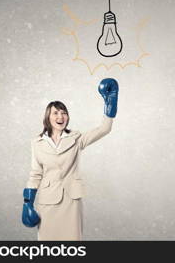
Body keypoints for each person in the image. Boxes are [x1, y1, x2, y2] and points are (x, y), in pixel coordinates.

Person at [21, 78, 119, 240]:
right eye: (56, 113)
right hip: (48, 201)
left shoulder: (76, 138)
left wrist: (110, 103)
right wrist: (27, 202)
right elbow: (35, 174)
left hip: (71, 201)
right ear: (48, 117)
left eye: (64, 112)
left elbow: (104, 129)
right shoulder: (36, 143)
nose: (61, 116)